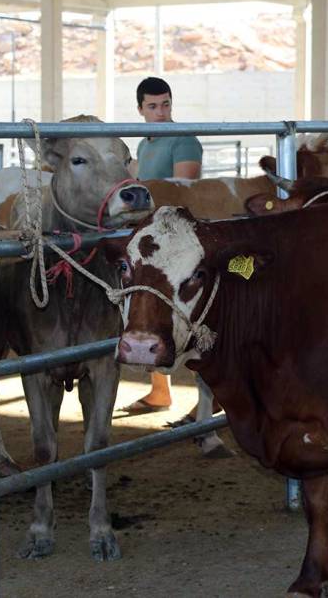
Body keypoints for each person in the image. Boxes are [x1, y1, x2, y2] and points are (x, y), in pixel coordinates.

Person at [121, 76, 202, 414]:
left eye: (165, 104)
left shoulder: (183, 141)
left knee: (192, 316)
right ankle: (160, 391)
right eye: (152, 106)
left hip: (179, 239)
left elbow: (185, 187)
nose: (160, 112)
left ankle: (204, 401)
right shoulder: (145, 144)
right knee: (149, 312)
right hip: (155, 241)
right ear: (140, 109)